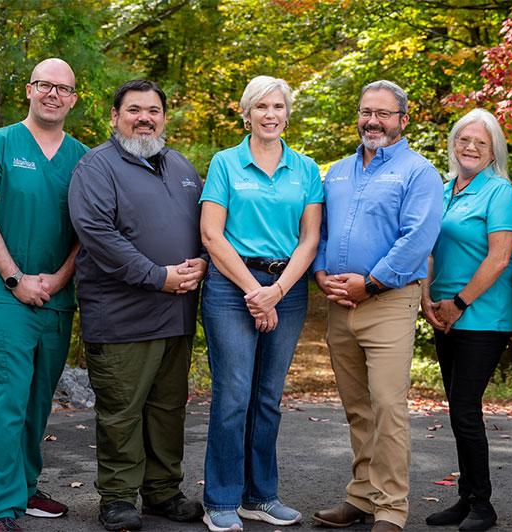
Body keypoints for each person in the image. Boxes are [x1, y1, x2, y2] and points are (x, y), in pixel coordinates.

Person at [68, 79, 206, 531]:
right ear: (114, 116)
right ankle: (118, 497)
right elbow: (98, 236)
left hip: (177, 314)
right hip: (122, 316)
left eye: (153, 110)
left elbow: (209, 227)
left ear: (164, 117)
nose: (144, 117)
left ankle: (163, 491)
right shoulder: (97, 166)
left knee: (168, 409)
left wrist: (203, 264)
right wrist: (158, 276)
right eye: (133, 109)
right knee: (123, 413)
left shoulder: (182, 166)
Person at [0, 58, 87, 532]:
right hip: (4, 295)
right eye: (44, 85)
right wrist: (16, 279)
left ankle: (25, 488)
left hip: (56, 295)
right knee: (7, 400)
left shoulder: (83, 157)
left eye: (63, 88)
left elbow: (87, 231)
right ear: (29, 91)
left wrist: (56, 280)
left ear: (73, 99)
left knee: (38, 401)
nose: (53, 94)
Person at [313, 80, 443, 532]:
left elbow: (418, 238)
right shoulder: (339, 172)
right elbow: (322, 230)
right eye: (367, 111)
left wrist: (369, 284)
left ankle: (391, 509)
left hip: (387, 302)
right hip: (339, 302)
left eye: (384, 113)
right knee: (357, 408)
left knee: (388, 405)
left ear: (403, 120)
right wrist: (320, 272)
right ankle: (362, 497)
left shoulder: (418, 172)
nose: (373, 120)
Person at [199, 75, 323, 532]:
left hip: (285, 289)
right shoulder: (225, 163)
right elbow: (212, 234)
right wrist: (255, 291)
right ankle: (222, 499)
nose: (270, 114)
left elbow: (310, 240)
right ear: (246, 113)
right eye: (261, 107)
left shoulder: (306, 168)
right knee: (233, 395)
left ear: (287, 113)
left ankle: (260, 496)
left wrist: (277, 291)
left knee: (268, 398)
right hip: (232, 288)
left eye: (278, 106)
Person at [421, 109, 512, 531]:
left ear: (493, 150)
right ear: (453, 143)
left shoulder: (500, 194)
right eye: (464, 139)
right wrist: (429, 298)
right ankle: (466, 500)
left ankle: (482, 505)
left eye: (481, 143)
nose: (470, 147)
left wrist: (458, 303)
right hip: (444, 314)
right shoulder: (444, 190)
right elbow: (428, 247)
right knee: (458, 410)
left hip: (481, 317)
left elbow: (500, 258)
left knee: (465, 409)